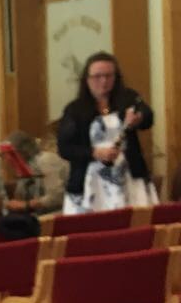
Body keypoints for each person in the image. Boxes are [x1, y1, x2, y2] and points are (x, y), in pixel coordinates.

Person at [57, 51, 157, 213]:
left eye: (109, 76)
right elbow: (65, 148)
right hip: (90, 183)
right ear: (87, 79)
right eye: (97, 76)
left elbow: (148, 116)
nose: (103, 81)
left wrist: (139, 118)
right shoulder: (75, 109)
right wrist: (94, 153)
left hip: (128, 178)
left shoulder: (128, 98)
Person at [1, 129, 66, 219]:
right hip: (38, 214)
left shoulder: (46, 160)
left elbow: (56, 197)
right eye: (3, 155)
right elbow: (21, 199)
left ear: (23, 150)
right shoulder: (25, 167)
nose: (7, 159)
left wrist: (26, 205)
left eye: (10, 154)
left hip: (59, 213)